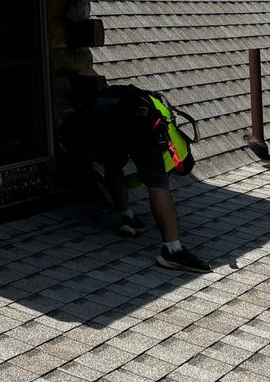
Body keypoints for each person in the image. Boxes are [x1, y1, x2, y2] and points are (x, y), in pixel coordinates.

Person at [63, 86, 211, 273]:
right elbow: (154, 176)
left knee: (113, 165)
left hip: (104, 119)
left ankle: (127, 216)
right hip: (137, 120)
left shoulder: (157, 106)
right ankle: (172, 250)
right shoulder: (176, 146)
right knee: (158, 183)